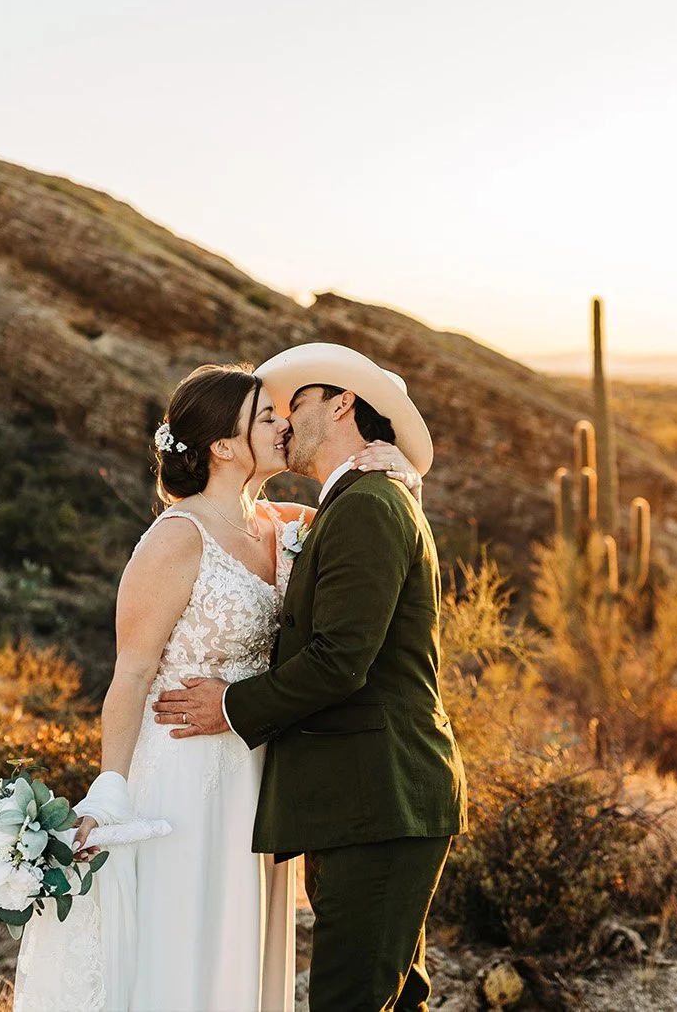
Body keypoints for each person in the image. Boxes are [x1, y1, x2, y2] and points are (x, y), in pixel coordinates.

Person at [10, 362, 422, 1012]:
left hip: (261, 772)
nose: (284, 423)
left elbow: (368, 527)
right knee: (189, 948)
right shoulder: (175, 538)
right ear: (225, 446)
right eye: (266, 416)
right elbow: (133, 673)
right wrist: (109, 789)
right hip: (185, 770)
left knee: (247, 952)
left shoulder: (281, 526)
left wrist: (402, 468)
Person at [154, 343, 469, 1012]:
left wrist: (232, 706)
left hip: (381, 799)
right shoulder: (356, 503)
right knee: (389, 998)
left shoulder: (368, 505)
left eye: (297, 403)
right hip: (361, 802)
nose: (286, 421)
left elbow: (340, 659)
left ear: (343, 403)